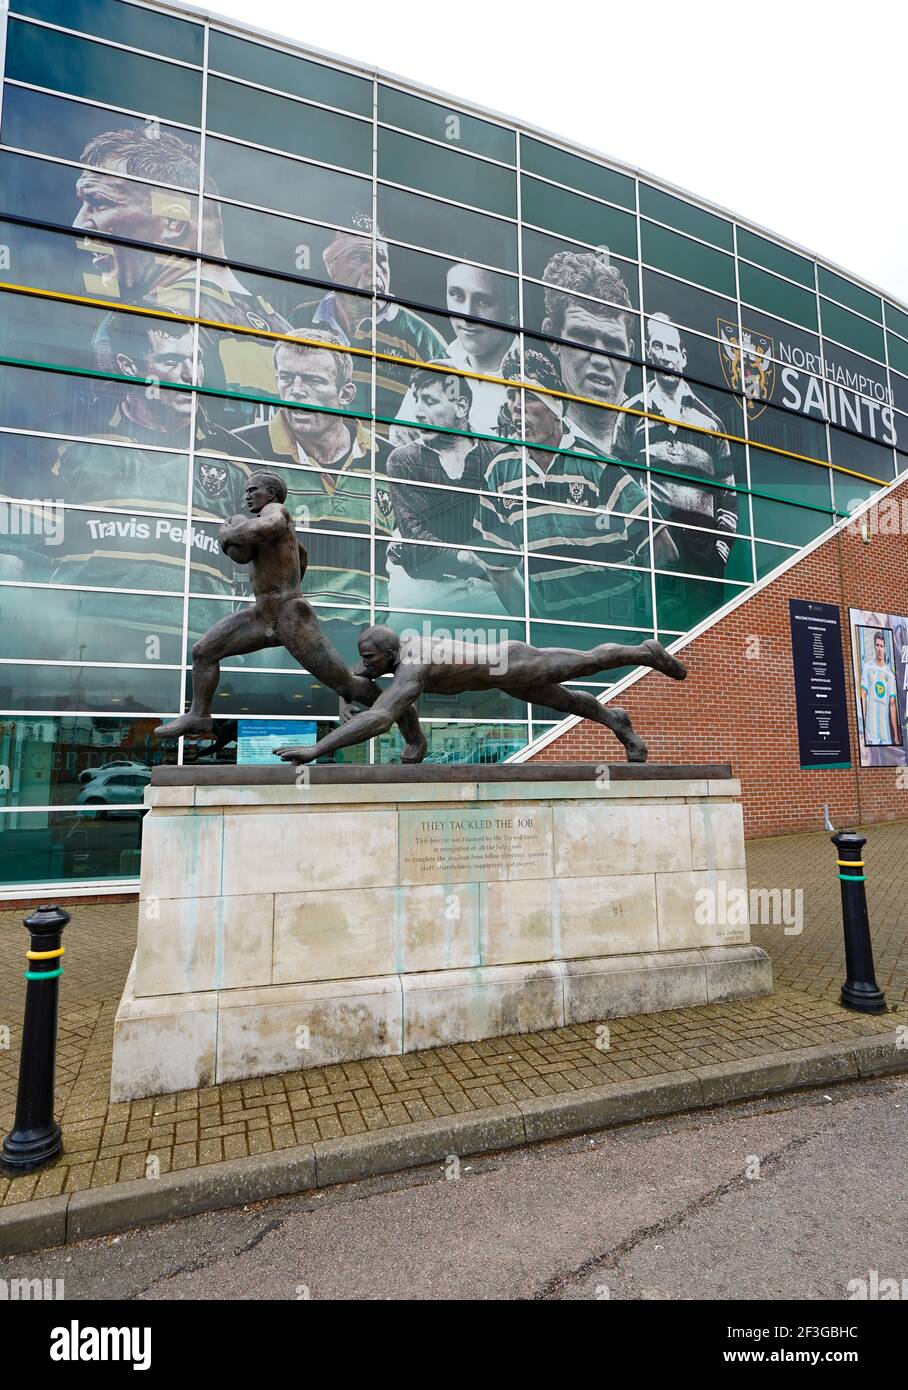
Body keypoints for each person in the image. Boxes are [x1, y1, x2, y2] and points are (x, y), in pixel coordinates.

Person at [155, 472, 426, 760]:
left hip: (288, 615)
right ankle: (199, 715)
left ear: (271, 494)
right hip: (263, 613)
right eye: (246, 491)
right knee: (204, 651)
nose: (247, 495)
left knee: (346, 684)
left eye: (253, 490)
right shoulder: (272, 532)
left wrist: (227, 534)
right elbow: (299, 555)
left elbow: (270, 525)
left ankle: (406, 720)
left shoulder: (275, 511)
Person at [72, 128, 290, 425]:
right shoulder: (285, 331)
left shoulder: (134, 324)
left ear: (174, 221)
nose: (79, 223)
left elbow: (116, 433)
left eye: (101, 202)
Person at [49, 311, 260, 596]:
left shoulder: (239, 457)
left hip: (197, 635)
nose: (191, 375)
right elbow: (29, 540)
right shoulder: (70, 442)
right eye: (171, 361)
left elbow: (262, 559)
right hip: (84, 631)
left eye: (195, 359)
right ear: (127, 366)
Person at [273, 624, 687, 764]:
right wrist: (345, 695)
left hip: (511, 662)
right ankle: (622, 727)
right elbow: (357, 677)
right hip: (500, 677)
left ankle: (642, 652)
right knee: (572, 704)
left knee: (588, 662)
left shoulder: (412, 665)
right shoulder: (394, 655)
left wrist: (318, 748)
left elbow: (381, 716)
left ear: (390, 653)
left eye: (370, 658)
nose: (366, 665)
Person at [478, 345, 671, 624]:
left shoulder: (597, 465)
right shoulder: (500, 471)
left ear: (556, 405)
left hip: (620, 624)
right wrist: (538, 628)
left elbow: (662, 548)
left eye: (528, 396)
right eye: (511, 395)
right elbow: (498, 567)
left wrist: (647, 620)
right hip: (561, 635)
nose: (517, 406)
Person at [233, 330, 394, 604]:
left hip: (366, 637)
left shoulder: (391, 461)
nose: (296, 390)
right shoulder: (242, 449)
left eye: (313, 380)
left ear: (346, 393)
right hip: (278, 636)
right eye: (286, 378)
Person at [385, 362, 517, 616]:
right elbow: (415, 537)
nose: (419, 413)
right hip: (423, 590)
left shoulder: (497, 456)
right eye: (417, 401)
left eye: (430, 401)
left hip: (489, 589)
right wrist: (465, 556)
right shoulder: (403, 460)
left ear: (461, 406)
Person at [292, 216, 447, 429]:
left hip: (384, 460)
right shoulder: (302, 319)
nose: (374, 269)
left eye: (381, 259)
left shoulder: (420, 336)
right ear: (332, 267)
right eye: (360, 257)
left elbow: (453, 414)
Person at [615, 313, 738, 578]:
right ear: (649, 352)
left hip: (703, 562)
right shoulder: (631, 412)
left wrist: (718, 555)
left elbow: (729, 498)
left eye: (671, 348)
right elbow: (617, 482)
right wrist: (637, 543)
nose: (665, 355)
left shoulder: (711, 422)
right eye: (658, 346)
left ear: (682, 356)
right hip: (655, 556)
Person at [541, 248, 636, 455]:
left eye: (613, 344)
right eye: (583, 338)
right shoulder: (532, 441)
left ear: (630, 354)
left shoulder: (654, 433)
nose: (601, 359)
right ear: (553, 339)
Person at [443, 262, 516, 436]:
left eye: (483, 301)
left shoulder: (538, 378)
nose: (467, 315)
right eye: (457, 295)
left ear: (513, 312)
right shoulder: (435, 368)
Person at [861, 631, 899, 749]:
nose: (879, 649)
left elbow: (892, 705)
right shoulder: (868, 667)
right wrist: (864, 726)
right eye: (877, 645)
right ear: (874, 647)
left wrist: (896, 736)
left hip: (885, 734)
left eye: (881, 646)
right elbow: (863, 695)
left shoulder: (890, 674)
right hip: (871, 732)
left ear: (885, 649)